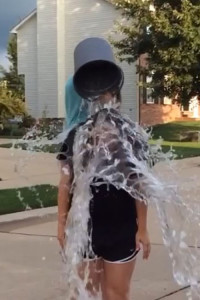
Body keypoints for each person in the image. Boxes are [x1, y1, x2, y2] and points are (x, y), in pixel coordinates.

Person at [57, 91, 151, 300]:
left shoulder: (130, 135)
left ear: (116, 99)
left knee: (116, 294)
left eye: (107, 95)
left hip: (122, 229)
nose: (102, 101)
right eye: (98, 96)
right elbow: (65, 183)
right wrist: (61, 225)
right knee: (82, 294)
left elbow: (139, 183)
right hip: (84, 227)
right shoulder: (77, 135)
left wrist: (143, 228)